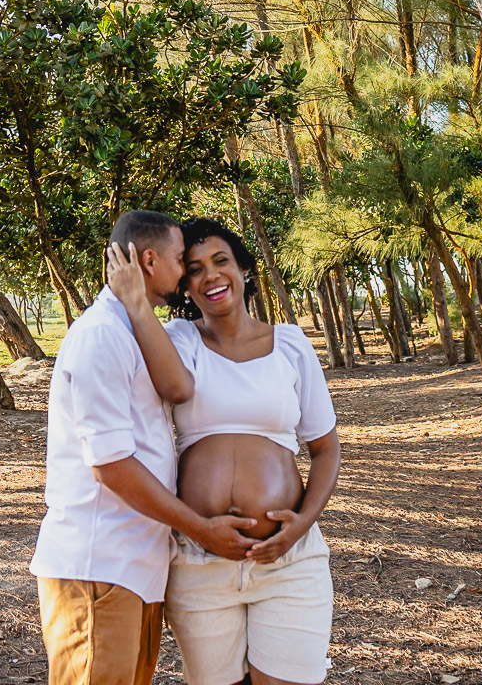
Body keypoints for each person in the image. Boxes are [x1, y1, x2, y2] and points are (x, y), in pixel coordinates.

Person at [107, 216, 340, 685]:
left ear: (244, 270)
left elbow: (326, 449)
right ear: (183, 286)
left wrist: (303, 524)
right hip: (200, 561)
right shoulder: (177, 340)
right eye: (193, 269)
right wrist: (135, 298)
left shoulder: (291, 346)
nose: (210, 276)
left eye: (220, 261)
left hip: (287, 561)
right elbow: (172, 389)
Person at [30, 209, 258, 685]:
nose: (186, 274)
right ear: (150, 260)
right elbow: (110, 466)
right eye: (182, 261)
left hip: (134, 568)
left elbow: (181, 389)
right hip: (99, 565)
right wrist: (200, 528)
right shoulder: (101, 336)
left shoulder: (133, 329)